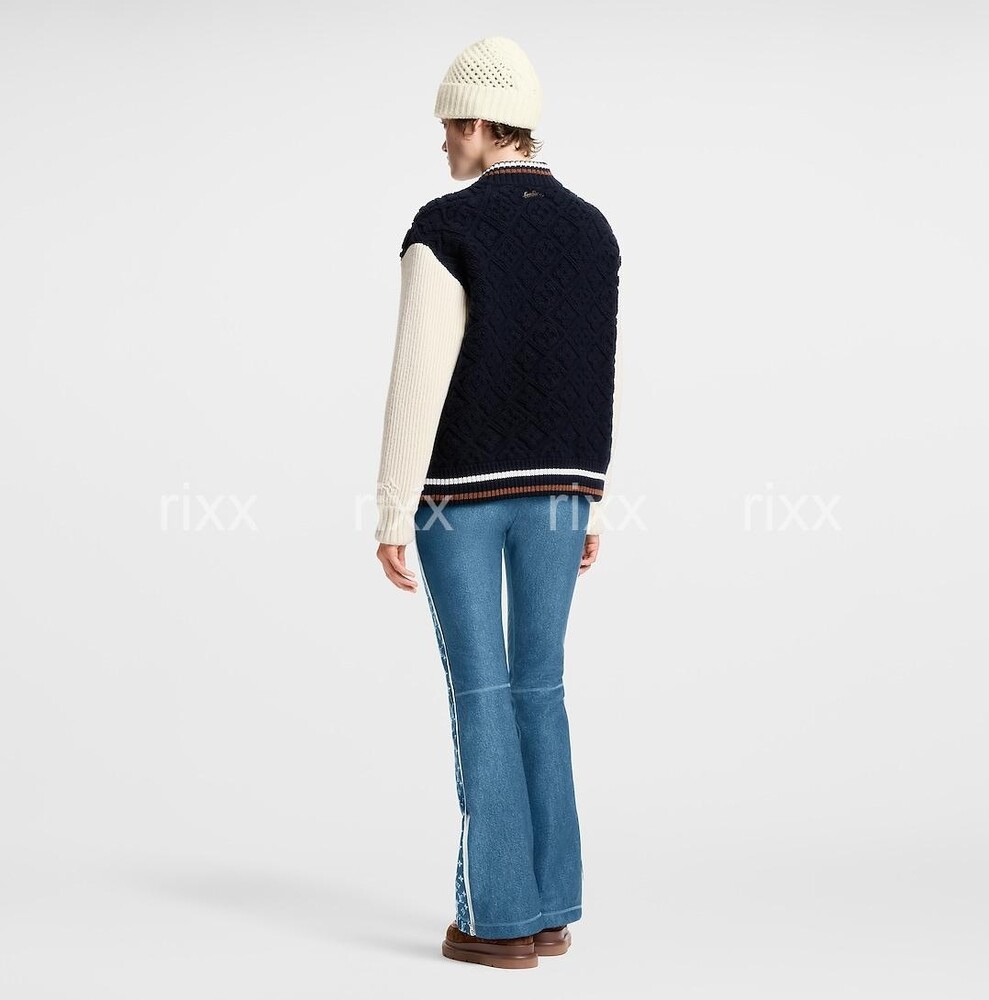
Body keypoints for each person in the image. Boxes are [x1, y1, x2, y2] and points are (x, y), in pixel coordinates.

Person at [373, 35, 621, 970]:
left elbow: (418, 377)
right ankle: (549, 911)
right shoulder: (593, 230)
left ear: (481, 123)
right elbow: (600, 374)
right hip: (562, 495)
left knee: (481, 692)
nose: (442, 140)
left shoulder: (447, 227)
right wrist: (591, 496)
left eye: (449, 124)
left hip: (462, 498)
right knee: (540, 689)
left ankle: (497, 920)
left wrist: (392, 511)